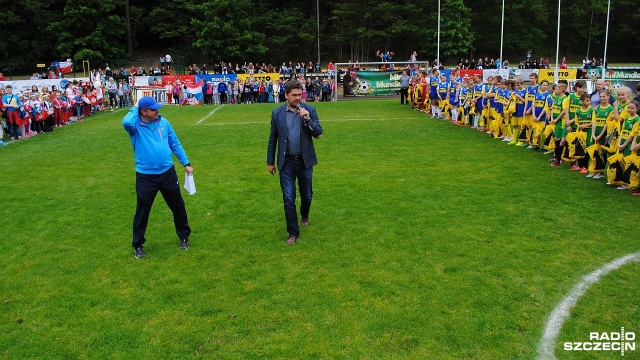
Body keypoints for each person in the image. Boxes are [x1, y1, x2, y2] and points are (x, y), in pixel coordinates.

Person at [122, 96, 193, 258]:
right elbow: (126, 122)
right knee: (142, 211)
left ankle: (184, 236)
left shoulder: (164, 122)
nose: (157, 111)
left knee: (178, 206)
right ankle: (138, 245)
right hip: (146, 176)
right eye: (153, 109)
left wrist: (186, 163)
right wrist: (135, 107)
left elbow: (174, 143)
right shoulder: (135, 127)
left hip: (168, 172)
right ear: (144, 112)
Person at [267, 80, 323, 245]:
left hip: (305, 161)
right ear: (286, 95)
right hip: (287, 163)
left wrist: (307, 120)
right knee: (289, 198)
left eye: (300, 94)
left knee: (307, 195)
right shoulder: (277, 113)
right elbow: (273, 139)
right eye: (294, 95)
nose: (298, 98)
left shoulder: (309, 110)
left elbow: (319, 134)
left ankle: (304, 214)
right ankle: (292, 232)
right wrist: (270, 162)